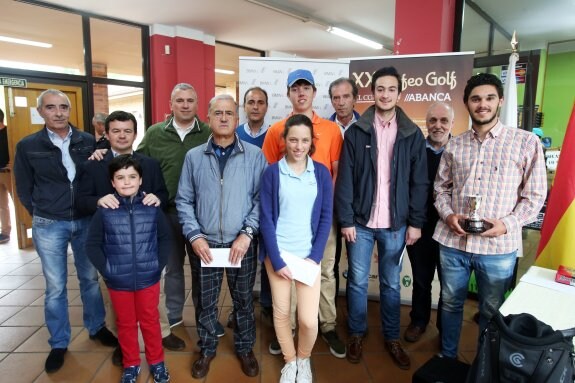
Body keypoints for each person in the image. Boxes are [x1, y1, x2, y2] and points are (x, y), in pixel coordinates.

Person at [433, 73, 547, 359]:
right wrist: (448, 216)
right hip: (453, 243)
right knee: (449, 303)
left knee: (490, 310)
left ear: (500, 101)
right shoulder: (455, 145)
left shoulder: (525, 142)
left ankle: (484, 365)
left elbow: (534, 196)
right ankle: (447, 359)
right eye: (475, 99)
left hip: (497, 248)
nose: (482, 104)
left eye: (489, 98)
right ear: (467, 104)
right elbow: (440, 189)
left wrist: (507, 224)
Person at [13, 89, 116, 373]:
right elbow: (22, 187)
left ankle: (96, 327)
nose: (58, 112)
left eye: (63, 107)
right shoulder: (28, 145)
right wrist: (41, 213)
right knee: (56, 286)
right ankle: (59, 342)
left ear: (69, 110)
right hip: (50, 223)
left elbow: (95, 176)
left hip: (84, 219)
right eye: (51, 108)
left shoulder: (86, 140)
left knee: (90, 278)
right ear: (41, 112)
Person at [335, 66, 428, 369]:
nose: (385, 94)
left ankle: (391, 337)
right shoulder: (357, 131)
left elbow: (419, 182)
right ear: (371, 93)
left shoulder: (412, 133)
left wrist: (415, 222)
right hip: (361, 222)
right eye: (380, 89)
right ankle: (357, 333)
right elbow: (346, 179)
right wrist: (346, 220)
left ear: (399, 93)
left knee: (390, 284)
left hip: (396, 224)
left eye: (391, 89)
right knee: (358, 283)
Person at [76, 110, 185, 364]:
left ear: (135, 134)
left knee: (152, 296)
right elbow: (81, 201)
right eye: (116, 130)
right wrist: (98, 200)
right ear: (107, 133)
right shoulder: (94, 165)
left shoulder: (149, 164)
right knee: (118, 297)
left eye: (127, 130)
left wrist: (157, 198)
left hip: (145, 245)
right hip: (113, 246)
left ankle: (162, 333)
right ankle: (124, 343)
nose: (122, 135)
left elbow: (163, 194)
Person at [176, 94, 266, 379]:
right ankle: (207, 348)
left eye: (229, 113)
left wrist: (247, 234)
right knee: (205, 300)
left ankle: (244, 347)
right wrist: (194, 236)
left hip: (242, 243)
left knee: (242, 300)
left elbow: (261, 199)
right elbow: (183, 200)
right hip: (206, 243)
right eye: (218, 113)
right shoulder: (193, 157)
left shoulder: (254, 155)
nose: (224, 118)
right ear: (209, 118)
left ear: (236, 120)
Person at [262, 69, 345, 359]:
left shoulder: (332, 130)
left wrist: (323, 207)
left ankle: (328, 325)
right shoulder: (275, 131)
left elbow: (335, 172)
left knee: (324, 271)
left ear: (313, 91)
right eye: (295, 88)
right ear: (288, 93)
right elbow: (271, 177)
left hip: (320, 218)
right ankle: (290, 336)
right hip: (286, 224)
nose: (301, 93)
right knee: (286, 286)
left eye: (306, 87)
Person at [260, 114, 333, 383]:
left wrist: (315, 257)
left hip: (308, 259)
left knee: (308, 321)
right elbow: (265, 219)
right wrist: (277, 260)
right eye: (293, 139)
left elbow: (326, 217)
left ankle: (304, 358)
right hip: (278, 256)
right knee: (281, 313)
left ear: (311, 142)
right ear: (285, 140)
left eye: (304, 140)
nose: (299, 146)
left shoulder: (321, 173)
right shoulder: (272, 173)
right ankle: (290, 362)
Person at [86, 155, 171, 383]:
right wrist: (108, 270)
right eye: (120, 178)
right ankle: (131, 363)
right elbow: (92, 245)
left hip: (148, 278)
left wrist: (157, 266)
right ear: (112, 182)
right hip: (118, 281)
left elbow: (165, 239)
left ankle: (157, 362)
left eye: (132, 177)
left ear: (140, 180)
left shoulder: (151, 207)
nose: (126, 182)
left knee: (150, 321)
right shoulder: (105, 210)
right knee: (124, 324)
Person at [137, 83, 214, 332]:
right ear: (171, 104)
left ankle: (206, 317)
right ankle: (174, 316)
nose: (185, 105)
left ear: (197, 104)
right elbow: (135, 164)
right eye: (179, 100)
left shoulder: (209, 133)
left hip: (201, 214)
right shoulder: (154, 133)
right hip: (167, 213)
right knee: (173, 268)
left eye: (190, 100)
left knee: (203, 269)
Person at [404, 102, 454, 343]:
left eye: (444, 121)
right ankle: (419, 320)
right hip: (420, 227)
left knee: (449, 284)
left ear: (452, 124)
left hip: (452, 231)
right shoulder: (415, 150)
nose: (438, 126)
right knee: (421, 280)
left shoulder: (461, 150)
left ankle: (446, 329)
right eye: (433, 120)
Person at [229, 86, 273, 328]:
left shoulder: (276, 133)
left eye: (260, 102)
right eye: (250, 102)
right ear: (243, 106)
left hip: (268, 208)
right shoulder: (233, 134)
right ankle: (239, 308)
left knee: (267, 259)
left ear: (267, 106)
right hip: (239, 210)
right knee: (240, 264)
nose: (255, 106)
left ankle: (267, 304)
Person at [328, 77, 361, 298]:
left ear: (355, 99)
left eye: (346, 96)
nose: (341, 102)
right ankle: (330, 313)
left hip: (357, 207)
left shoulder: (368, 127)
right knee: (328, 264)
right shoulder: (322, 128)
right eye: (336, 97)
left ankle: (354, 321)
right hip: (329, 207)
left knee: (357, 269)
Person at [0, 108, 11, 244]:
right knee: (2, 205)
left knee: (19, 204)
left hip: (9, 173)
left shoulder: (10, 132)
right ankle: (5, 232)